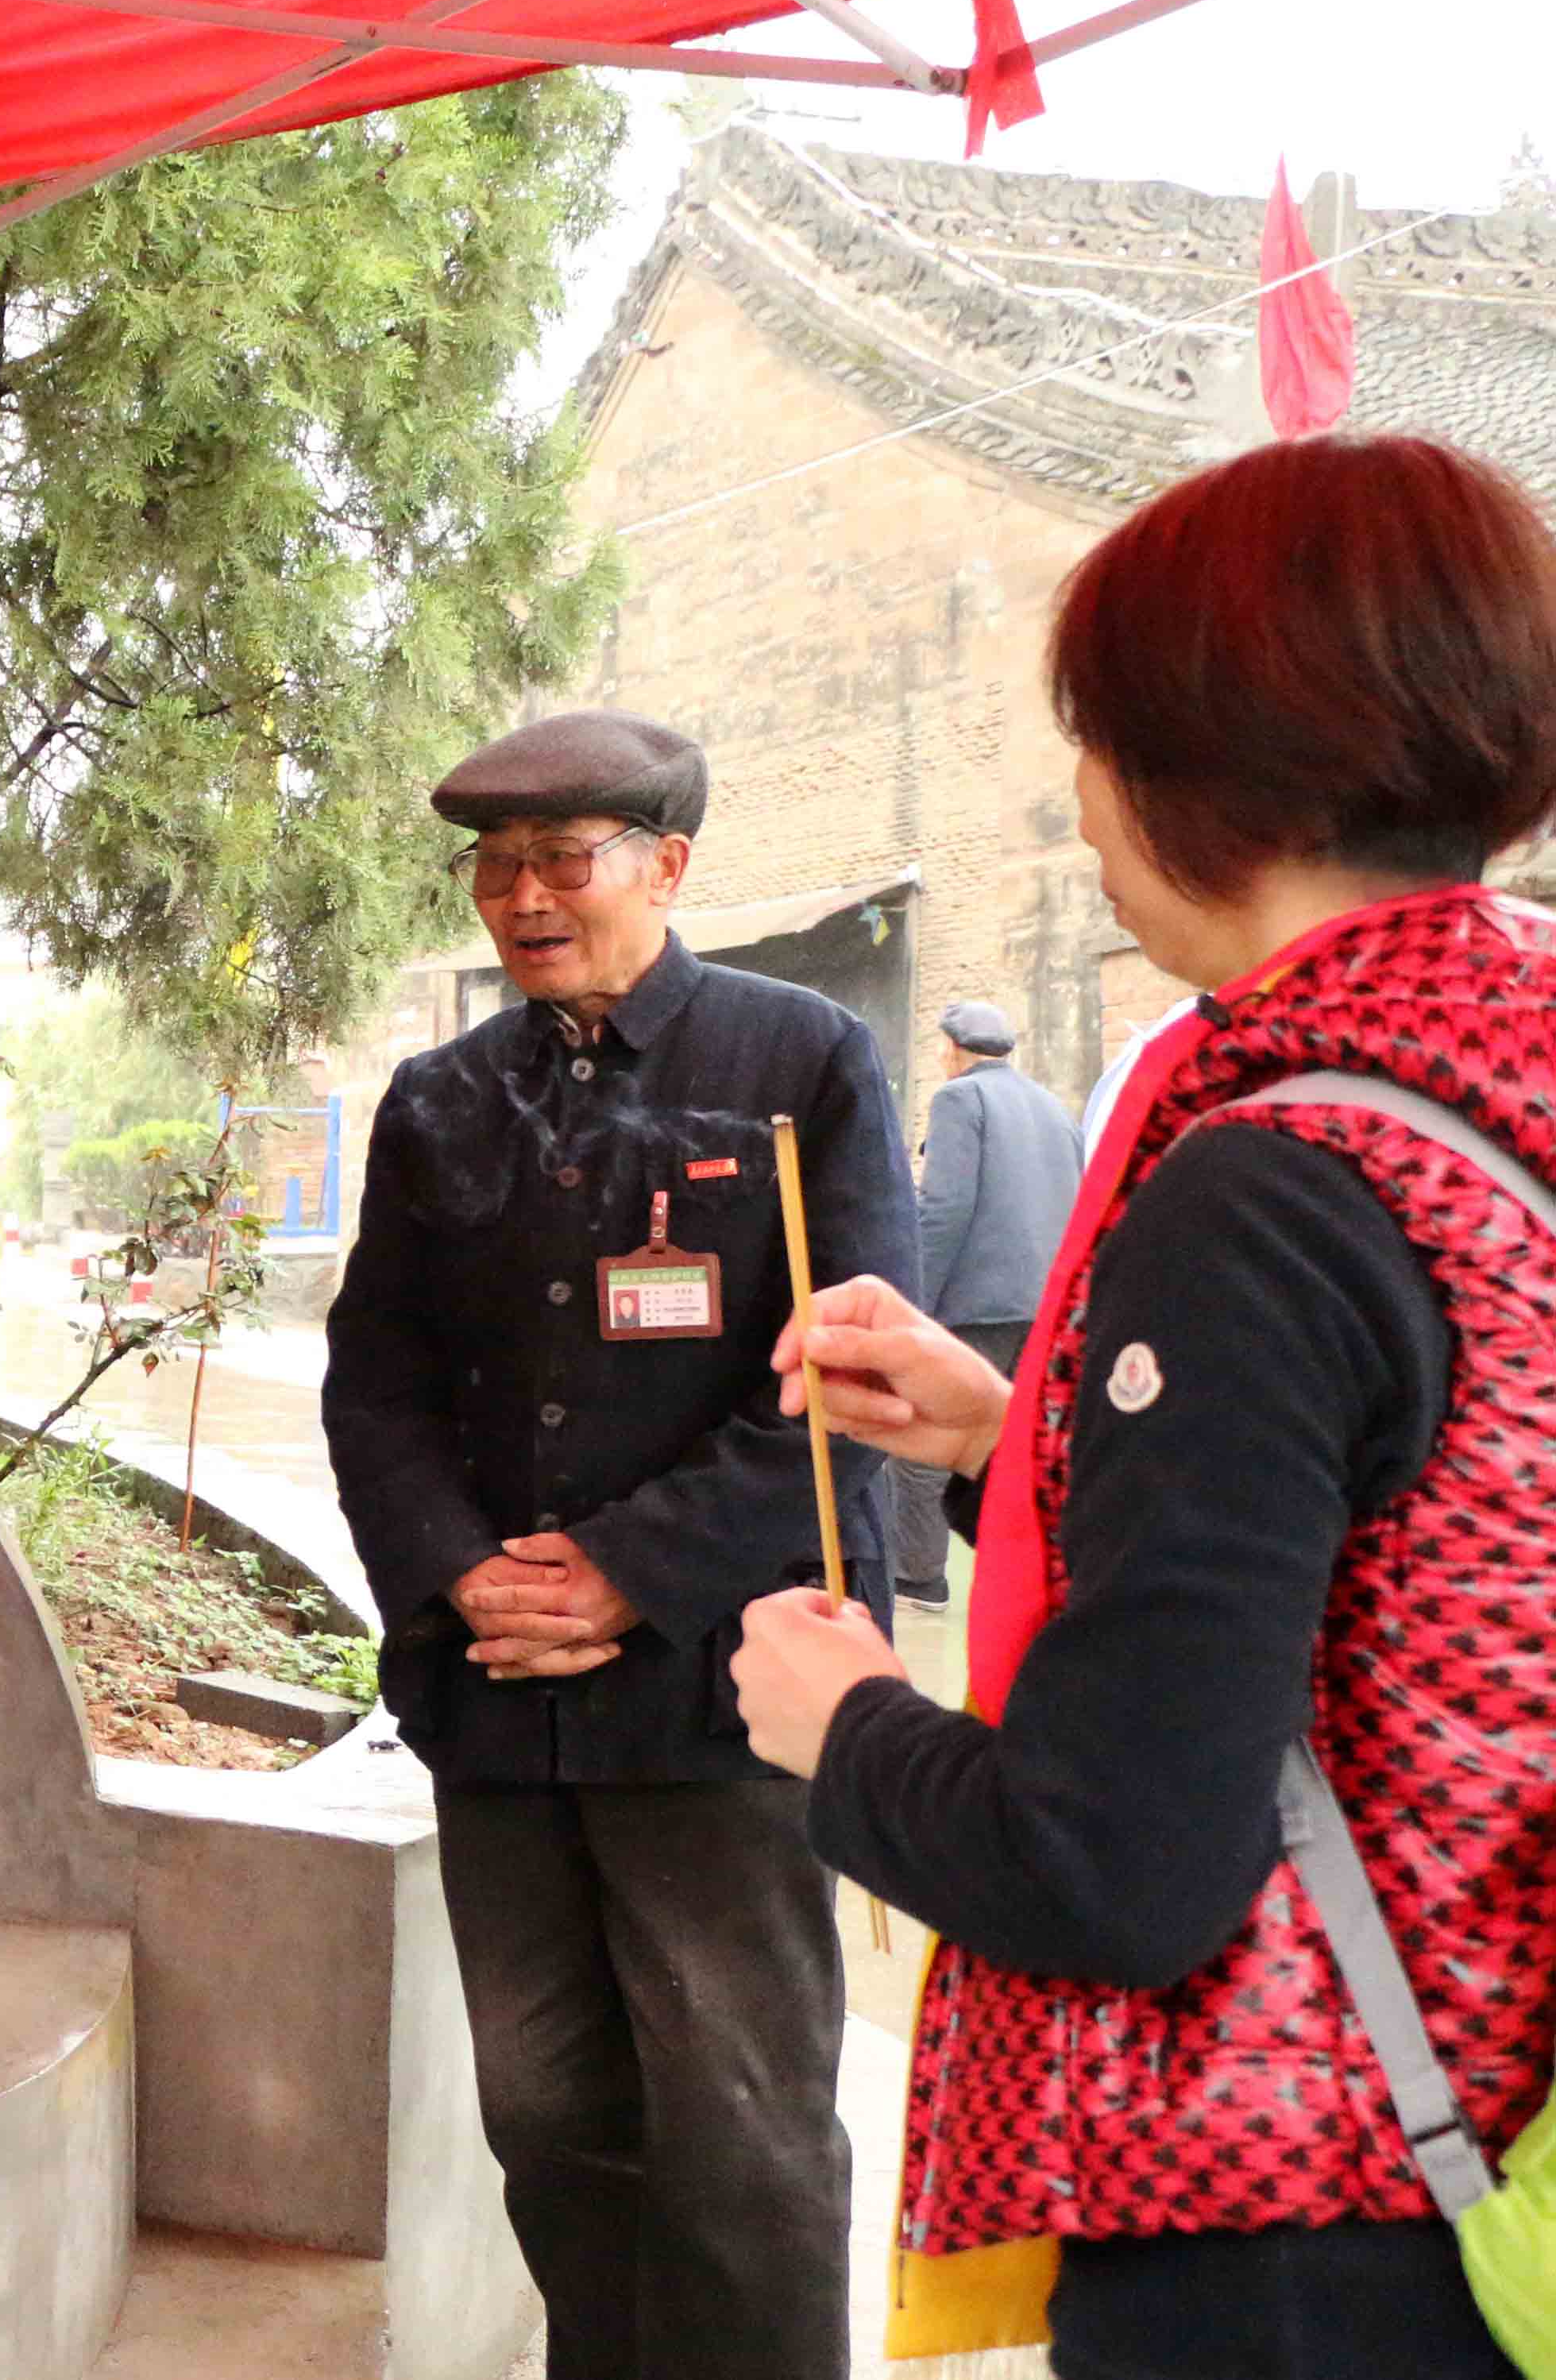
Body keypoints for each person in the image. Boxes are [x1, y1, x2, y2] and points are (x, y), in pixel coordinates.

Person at [730, 434, 1556, 2380]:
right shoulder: (1487, 1078)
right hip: (1502, 2117)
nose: (1078, 799)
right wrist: (1004, 1433)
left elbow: (1110, 1863)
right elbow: (1432, 1539)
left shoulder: (1270, 1180)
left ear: (1200, 761)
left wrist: (838, 1724)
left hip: (1312, 2227)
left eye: (1093, 738)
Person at [326, 705, 913, 2380]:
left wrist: (624, 1572)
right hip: (501, 1698)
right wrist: (462, 1572)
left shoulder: (799, 1064)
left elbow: (849, 1384)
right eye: (494, 865)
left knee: (740, 2129)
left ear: (666, 865)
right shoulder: (439, 1099)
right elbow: (375, 1381)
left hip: (719, 1699)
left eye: (562, 859)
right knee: (547, 2113)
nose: (522, 896)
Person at [894, 1000, 1083, 1606]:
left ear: (950, 1049)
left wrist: (914, 1302)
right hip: (1045, 1309)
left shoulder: (959, 1098)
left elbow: (943, 1208)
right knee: (1023, 1443)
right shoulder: (1052, 1107)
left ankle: (918, 1576)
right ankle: (1035, 1573)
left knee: (922, 1435)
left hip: (977, 1305)